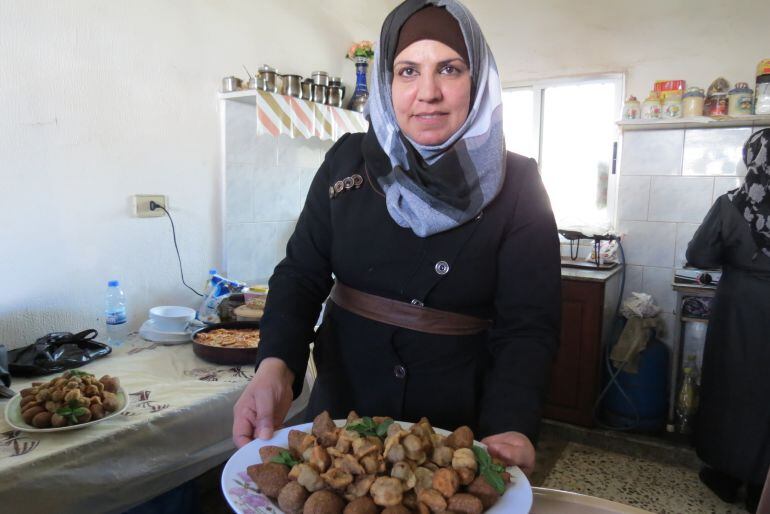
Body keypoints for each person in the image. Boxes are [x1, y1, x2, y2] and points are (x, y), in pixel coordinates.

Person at [232, 0, 561, 475]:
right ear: (388, 84)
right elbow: (301, 273)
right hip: (343, 417)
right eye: (408, 71)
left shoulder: (520, 184)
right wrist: (275, 365)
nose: (427, 93)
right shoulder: (347, 161)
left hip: (456, 433)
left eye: (449, 68)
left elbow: (528, 326)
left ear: (480, 79)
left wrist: (511, 423)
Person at [686, 127, 770, 513]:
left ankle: (724, 475)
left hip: (742, 308)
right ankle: (761, 488)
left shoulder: (735, 204)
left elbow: (700, 254)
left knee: (732, 386)